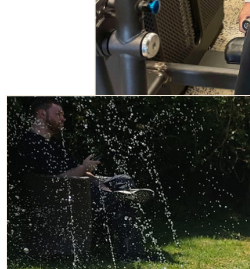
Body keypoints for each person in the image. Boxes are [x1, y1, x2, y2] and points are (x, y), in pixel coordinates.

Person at [11, 98, 153, 260]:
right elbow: (57, 179)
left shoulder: (54, 144)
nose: (63, 118)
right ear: (42, 114)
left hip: (79, 188)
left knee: (123, 179)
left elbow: (77, 171)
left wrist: (101, 184)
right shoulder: (31, 143)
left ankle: (123, 193)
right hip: (61, 197)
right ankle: (132, 253)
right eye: (58, 114)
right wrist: (85, 168)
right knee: (120, 201)